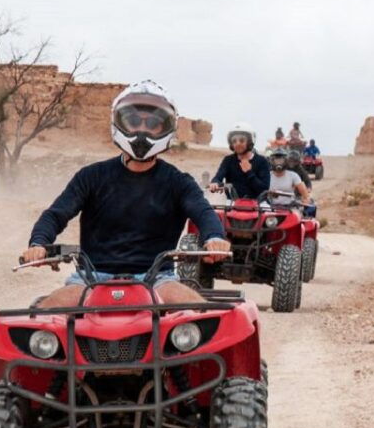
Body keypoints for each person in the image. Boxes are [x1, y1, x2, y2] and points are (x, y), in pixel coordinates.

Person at [21, 80, 230, 307]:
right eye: (132, 121)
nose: (142, 129)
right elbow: (56, 214)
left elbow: (203, 212)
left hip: (158, 279)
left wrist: (215, 238)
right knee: (45, 316)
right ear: (118, 122)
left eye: (152, 123)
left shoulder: (179, 182)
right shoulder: (91, 176)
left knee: (197, 314)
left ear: (166, 128)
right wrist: (39, 243)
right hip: (92, 278)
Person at [209, 122, 270, 199]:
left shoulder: (262, 161)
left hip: (258, 204)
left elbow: (264, 189)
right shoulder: (228, 160)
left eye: (241, 140)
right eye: (234, 141)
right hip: (233, 202)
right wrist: (215, 183)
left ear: (250, 141)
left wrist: (249, 172)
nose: (237, 143)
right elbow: (218, 177)